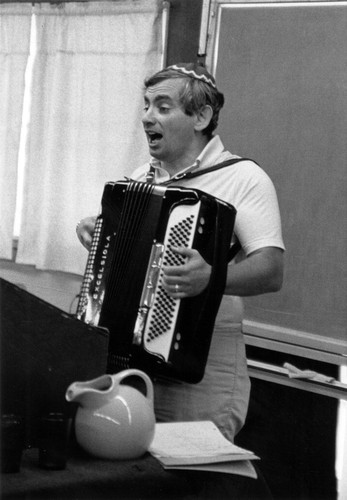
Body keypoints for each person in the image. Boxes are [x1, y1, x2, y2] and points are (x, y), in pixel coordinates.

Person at [76, 62, 285, 443]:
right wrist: (99, 237)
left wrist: (211, 277)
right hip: (130, 361)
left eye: (162, 107)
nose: (146, 117)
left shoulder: (242, 178)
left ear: (201, 116)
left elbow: (271, 270)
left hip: (206, 368)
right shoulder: (139, 179)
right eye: (146, 105)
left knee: (192, 481)